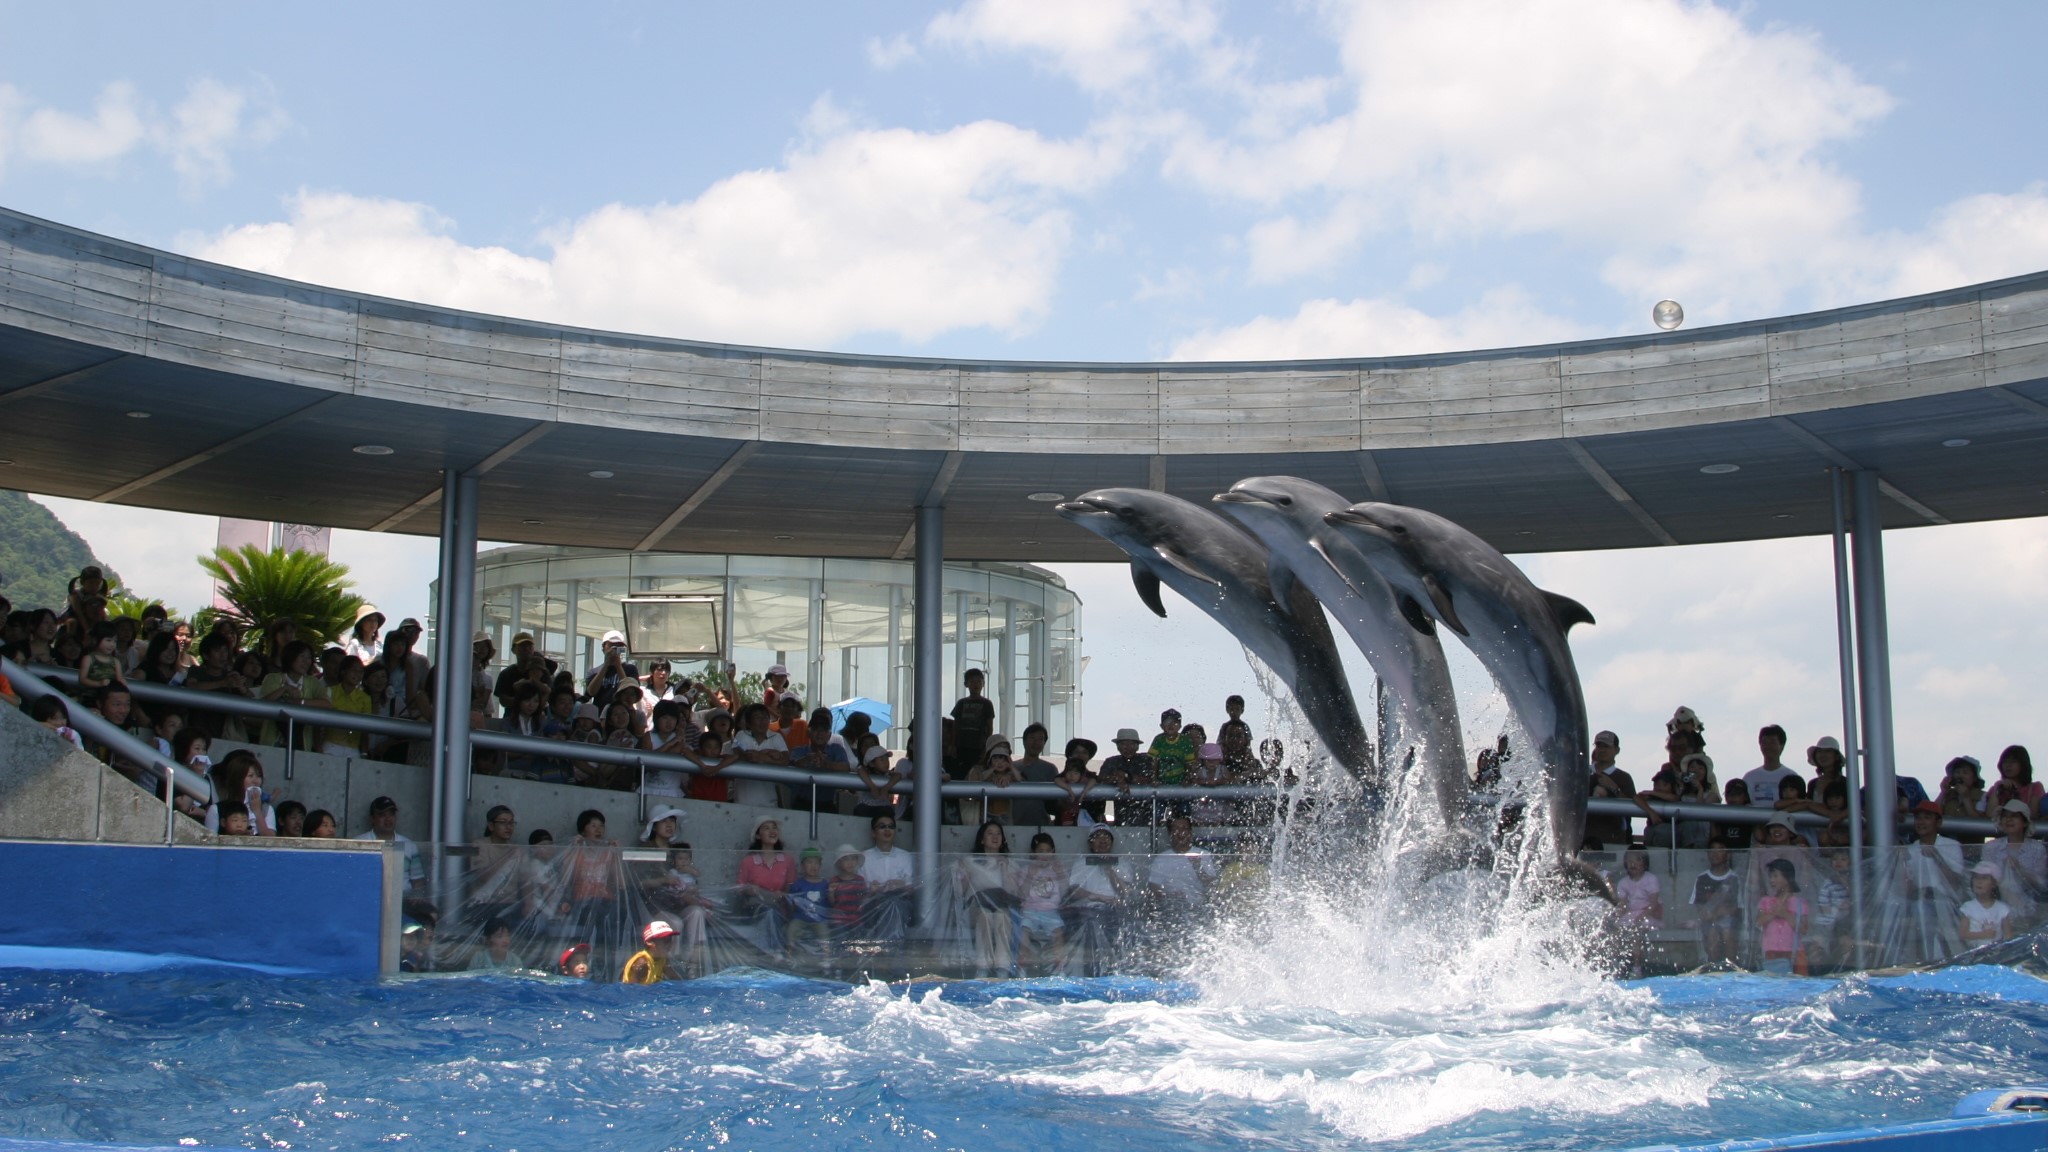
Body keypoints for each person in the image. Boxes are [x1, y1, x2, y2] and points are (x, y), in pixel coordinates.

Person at [956, 820, 1017, 977]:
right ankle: (983, 966)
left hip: (1001, 906)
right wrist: (964, 875)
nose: (994, 837)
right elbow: (959, 892)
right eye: (990, 833)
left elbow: (1013, 892)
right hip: (976, 906)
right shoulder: (969, 861)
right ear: (982, 839)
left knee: (1002, 918)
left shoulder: (1010, 862)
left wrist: (1004, 868)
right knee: (985, 917)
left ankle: (1003, 966)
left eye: (998, 834)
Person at [1066, 826, 1130, 975]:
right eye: (1098, 837)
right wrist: (1097, 897)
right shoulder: (1081, 863)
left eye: (1106, 837)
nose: (1102, 841)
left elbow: (1125, 892)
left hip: (1115, 910)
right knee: (1091, 922)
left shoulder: (1122, 863)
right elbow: (1074, 891)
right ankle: (1092, 972)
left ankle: (1117, 972)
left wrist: (1110, 870)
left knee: (1123, 924)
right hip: (1088, 910)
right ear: (1090, 843)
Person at [1980, 799, 2048, 931]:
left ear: (2024, 822)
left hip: (2031, 911)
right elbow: (1983, 880)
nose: (2008, 820)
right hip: (1996, 909)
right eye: (2005, 816)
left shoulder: (2037, 848)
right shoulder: (1990, 847)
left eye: (2014, 816)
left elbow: (2041, 885)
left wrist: (2019, 869)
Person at [1146, 814, 1219, 917]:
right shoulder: (1161, 859)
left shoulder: (1203, 855)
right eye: (1176, 829)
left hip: (1200, 908)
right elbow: (1153, 889)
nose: (1181, 833)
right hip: (1170, 909)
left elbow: (1213, 886)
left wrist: (1198, 868)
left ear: (1190, 832)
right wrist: (1169, 896)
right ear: (1170, 833)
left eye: (1185, 828)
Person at [859, 814, 915, 945]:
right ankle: (891, 950)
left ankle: (885, 950)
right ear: (873, 833)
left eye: (891, 826)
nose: (887, 830)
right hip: (873, 903)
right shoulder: (864, 857)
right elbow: (859, 889)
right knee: (886, 905)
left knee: (893, 904)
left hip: (900, 901)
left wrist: (900, 885)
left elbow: (912, 886)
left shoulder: (905, 856)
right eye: (882, 826)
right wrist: (873, 889)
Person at [1017, 832, 1068, 974]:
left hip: (1051, 911)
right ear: (1033, 853)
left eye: (1048, 851)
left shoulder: (1057, 870)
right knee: (1024, 932)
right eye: (1040, 851)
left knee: (1058, 933)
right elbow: (1021, 894)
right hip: (1029, 911)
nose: (1044, 855)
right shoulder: (1025, 870)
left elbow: (1065, 892)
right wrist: (1030, 876)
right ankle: (1022, 965)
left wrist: (1061, 875)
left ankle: (1059, 967)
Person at [354, 795, 425, 891]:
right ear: (372, 818)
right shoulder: (358, 843)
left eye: (391, 814)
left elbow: (418, 881)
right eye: (382, 815)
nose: (388, 819)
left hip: (403, 903)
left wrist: (416, 897)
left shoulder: (409, 846)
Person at [1611, 849, 1662, 978]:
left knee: (1635, 933)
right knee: (1615, 934)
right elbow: (1622, 905)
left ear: (1645, 863)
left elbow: (1654, 904)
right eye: (1629, 860)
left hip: (1650, 914)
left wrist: (1642, 916)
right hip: (1631, 915)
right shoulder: (1623, 882)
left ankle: (1637, 968)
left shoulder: (1651, 879)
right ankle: (1615, 966)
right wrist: (1615, 916)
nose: (1632, 864)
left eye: (1637, 860)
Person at [1690, 840, 1742, 967]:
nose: (1715, 854)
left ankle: (1731, 967)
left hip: (1731, 921)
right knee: (1712, 931)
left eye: (1720, 849)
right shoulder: (1701, 878)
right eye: (1712, 850)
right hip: (1708, 920)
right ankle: (1714, 967)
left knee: (1727, 931)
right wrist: (1713, 915)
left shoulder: (1735, 878)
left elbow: (1737, 907)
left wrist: (1720, 913)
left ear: (1727, 854)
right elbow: (1699, 907)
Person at [729, 702, 788, 808]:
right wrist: (769, 754)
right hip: (742, 802)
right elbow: (744, 755)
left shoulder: (776, 736)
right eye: (757, 717)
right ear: (749, 722)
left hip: (770, 803)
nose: (762, 721)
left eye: (765, 717)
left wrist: (762, 757)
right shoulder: (741, 735)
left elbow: (785, 760)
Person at [1756, 858, 1808, 975]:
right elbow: (1759, 922)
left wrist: (1785, 914)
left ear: (1787, 878)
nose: (1772, 880)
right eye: (1770, 877)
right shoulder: (1766, 901)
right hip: (1772, 951)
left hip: (1795, 953)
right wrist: (1774, 913)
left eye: (1775, 876)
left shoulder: (1799, 902)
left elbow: (1804, 929)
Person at [1584, 730, 1635, 847]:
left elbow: (1632, 807)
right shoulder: (1582, 773)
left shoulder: (1624, 778)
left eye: (1606, 746)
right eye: (1598, 746)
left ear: (1617, 750)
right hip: (1583, 839)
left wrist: (1613, 787)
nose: (1602, 750)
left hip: (1612, 839)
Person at [785, 847, 833, 965]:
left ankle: (826, 958)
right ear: (802, 866)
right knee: (791, 930)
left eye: (816, 863)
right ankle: (789, 955)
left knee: (824, 934)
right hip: (801, 918)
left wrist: (832, 892)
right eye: (809, 862)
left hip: (819, 919)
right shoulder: (798, 884)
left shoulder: (825, 884)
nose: (813, 866)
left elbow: (831, 903)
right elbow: (791, 902)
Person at [1098, 728, 1155, 827]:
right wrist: (1118, 778)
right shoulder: (1111, 761)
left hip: (1147, 814)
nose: (1128, 748)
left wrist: (1124, 776)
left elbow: (1151, 779)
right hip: (1121, 816)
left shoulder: (1146, 760)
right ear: (1117, 746)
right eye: (1124, 744)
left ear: (1137, 746)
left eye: (1132, 744)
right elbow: (1101, 779)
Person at [949, 669, 996, 782]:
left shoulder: (987, 704)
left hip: (978, 746)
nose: (976, 685)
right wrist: (953, 745)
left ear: (983, 684)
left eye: (979, 682)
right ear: (966, 684)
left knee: (977, 773)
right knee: (960, 774)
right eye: (972, 682)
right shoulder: (961, 703)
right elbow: (955, 725)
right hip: (962, 745)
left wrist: (987, 748)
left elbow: (990, 727)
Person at [1740, 725, 1798, 807]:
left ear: (1782, 746)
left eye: (1772, 742)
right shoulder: (1749, 777)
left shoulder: (1791, 776)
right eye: (1764, 742)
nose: (1767, 746)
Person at [1937, 756, 1989, 845]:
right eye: (1957, 772)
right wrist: (1943, 793)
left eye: (1965, 772)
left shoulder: (1983, 796)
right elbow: (1933, 814)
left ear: (1975, 778)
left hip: (1971, 847)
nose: (1960, 776)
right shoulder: (1948, 794)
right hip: (1947, 847)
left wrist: (1966, 798)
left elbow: (1979, 823)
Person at [1960, 863, 2014, 947]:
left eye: (1984, 878)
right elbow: (1963, 934)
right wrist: (1983, 935)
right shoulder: (1968, 907)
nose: (1979, 881)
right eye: (1976, 877)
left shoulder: (2002, 909)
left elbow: (2008, 936)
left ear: (1994, 884)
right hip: (1974, 955)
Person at [1986, 745, 2043, 819]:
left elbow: (2032, 816)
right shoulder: (1997, 788)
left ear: (2023, 764)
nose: (2008, 765)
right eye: (2005, 762)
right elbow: (1990, 815)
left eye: (2013, 761)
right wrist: (1998, 787)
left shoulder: (2035, 787)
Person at [852, 744, 905, 819]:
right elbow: (860, 769)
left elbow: (898, 775)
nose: (886, 762)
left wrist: (885, 788)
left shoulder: (888, 774)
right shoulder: (867, 773)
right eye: (882, 760)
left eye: (887, 759)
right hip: (866, 807)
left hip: (884, 807)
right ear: (871, 763)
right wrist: (872, 787)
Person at [1149, 709, 1198, 787]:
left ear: (1180, 726)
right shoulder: (1159, 740)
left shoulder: (1185, 740)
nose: (1171, 725)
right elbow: (1153, 762)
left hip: (1181, 782)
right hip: (1162, 782)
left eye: (1175, 723)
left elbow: (1190, 763)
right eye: (1167, 722)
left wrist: (1188, 778)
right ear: (1161, 726)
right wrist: (1154, 778)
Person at [621, 920, 679, 984]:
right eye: (665, 940)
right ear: (650, 942)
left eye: (670, 940)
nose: (669, 944)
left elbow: (676, 981)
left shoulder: (662, 960)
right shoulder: (642, 964)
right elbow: (632, 990)